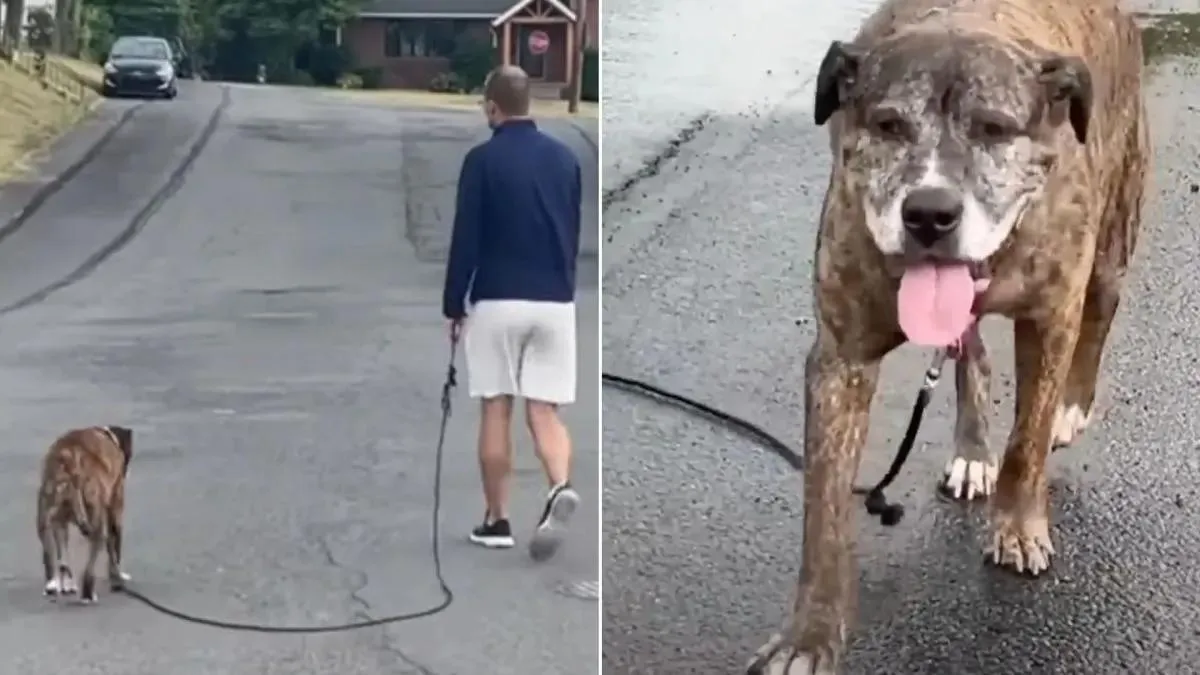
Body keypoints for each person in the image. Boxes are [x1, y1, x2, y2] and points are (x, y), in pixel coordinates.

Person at [442, 65, 583, 562]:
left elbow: (467, 240)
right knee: (544, 409)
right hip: (555, 301)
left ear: (491, 106)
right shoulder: (566, 161)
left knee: (496, 406)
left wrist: (453, 304)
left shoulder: (481, 161)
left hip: (499, 298)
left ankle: (496, 519)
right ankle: (558, 487)